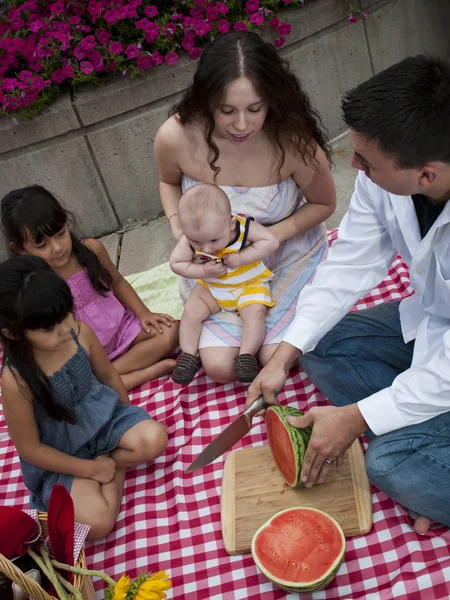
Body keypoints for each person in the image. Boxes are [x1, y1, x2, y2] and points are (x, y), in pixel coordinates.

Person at [246, 55, 450, 535]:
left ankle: (422, 459)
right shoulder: (387, 181)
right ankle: (429, 449)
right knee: (320, 345)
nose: (353, 166)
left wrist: (358, 417)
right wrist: (285, 352)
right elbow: (348, 262)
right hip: (435, 324)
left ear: (425, 174)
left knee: (386, 463)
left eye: (367, 161)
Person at [155, 31, 336, 383]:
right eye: (227, 111)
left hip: (285, 254)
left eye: (255, 109)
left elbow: (324, 203)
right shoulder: (175, 135)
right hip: (215, 267)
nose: (242, 124)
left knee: (275, 355)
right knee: (221, 368)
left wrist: (267, 239)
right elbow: (168, 182)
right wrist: (180, 228)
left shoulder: (293, 141)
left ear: (273, 100)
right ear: (206, 100)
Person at [0, 256, 169, 539]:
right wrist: (90, 469)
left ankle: (109, 463)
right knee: (98, 524)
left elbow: (109, 377)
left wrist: (132, 416)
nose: (65, 328)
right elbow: (31, 450)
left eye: (66, 314)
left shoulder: (79, 333)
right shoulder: (15, 380)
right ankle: (113, 467)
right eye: (49, 329)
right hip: (62, 453)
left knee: (154, 440)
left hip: (103, 420)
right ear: (13, 333)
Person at [1, 185, 179, 391]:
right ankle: (143, 373)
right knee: (67, 386)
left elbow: (118, 282)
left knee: (171, 331)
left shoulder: (90, 249)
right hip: (81, 353)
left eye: (61, 233)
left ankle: (108, 376)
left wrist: (143, 313)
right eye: (42, 245)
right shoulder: (35, 284)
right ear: (20, 249)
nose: (57, 247)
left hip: (122, 330)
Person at [169, 183, 279, 384]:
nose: (206, 248)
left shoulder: (242, 228)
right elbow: (176, 263)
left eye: (213, 240)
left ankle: (246, 356)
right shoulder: (192, 238)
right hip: (213, 288)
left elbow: (270, 241)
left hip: (249, 283)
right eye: (197, 243)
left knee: (255, 313)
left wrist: (243, 257)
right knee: (191, 311)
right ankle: (188, 355)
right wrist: (202, 270)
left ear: (230, 223)